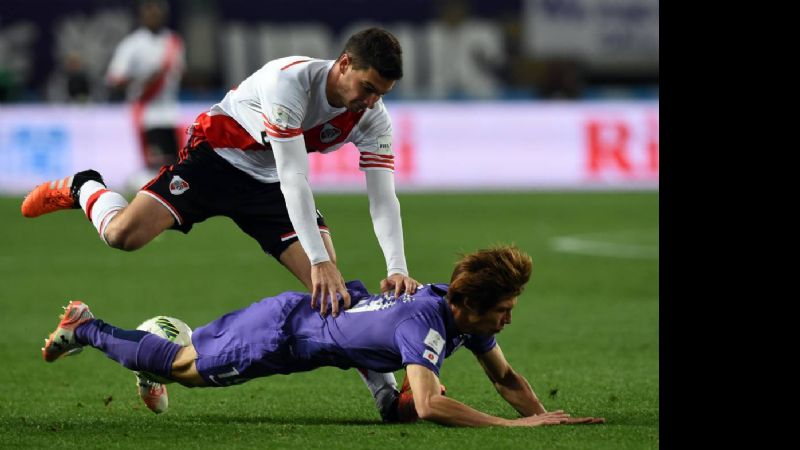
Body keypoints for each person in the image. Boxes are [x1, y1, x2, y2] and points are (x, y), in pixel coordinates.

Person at [22, 27, 419, 420]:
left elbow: (383, 197)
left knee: (332, 292)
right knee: (122, 235)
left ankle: (387, 397)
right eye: (367, 88)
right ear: (344, 64)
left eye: (381, 94)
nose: (371, 102)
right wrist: (318, 259)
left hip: (269, 185)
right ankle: (84, 186)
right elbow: (295, 177)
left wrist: (396, 267)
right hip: (217, 158)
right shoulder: (290, 83)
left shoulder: (372, 116)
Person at [41, 246, 605, 426]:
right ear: (469, 306)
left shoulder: (460, 312)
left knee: (403, 402)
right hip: (280, 335)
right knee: (183, 371)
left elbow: (505, 378)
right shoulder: (426, 321)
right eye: (503, 310)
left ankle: (385, 396)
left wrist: (549, 417)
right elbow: (433, 405)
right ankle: (87, 326)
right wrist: (514, 426)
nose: (508, 320)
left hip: (328, 329)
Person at [106, 0, 185, 189]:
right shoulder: (133, 44)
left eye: (157, 12)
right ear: (142, 15)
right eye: (149, 12)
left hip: (170, 111)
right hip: (146, 112)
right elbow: (115, 78)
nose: (153, 16)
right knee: (153, 165)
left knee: (175, 163)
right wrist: (143, 81)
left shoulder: (173, 41)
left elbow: (180, 73)